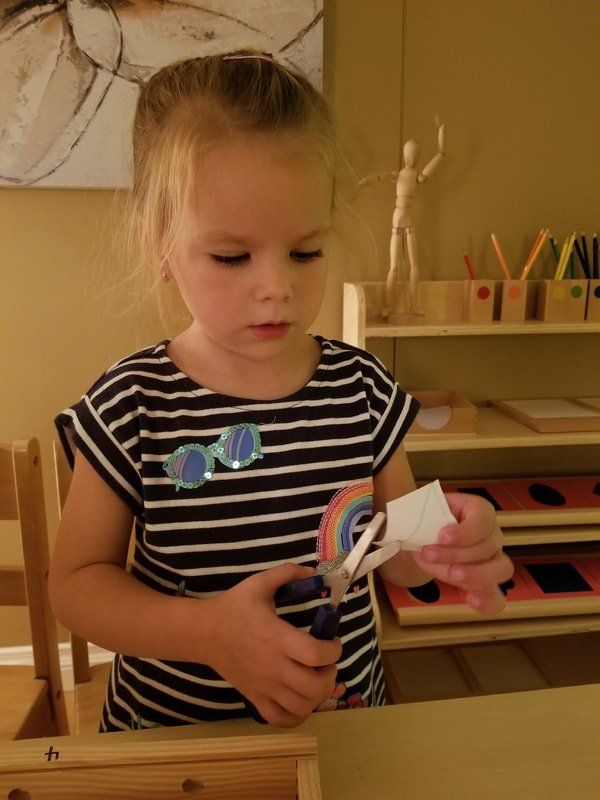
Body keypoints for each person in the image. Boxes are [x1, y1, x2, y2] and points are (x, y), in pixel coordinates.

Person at [49, 50, 513, 733]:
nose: (278, 287)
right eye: (232, 256)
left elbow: (398, 562)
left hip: (344, 731)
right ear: (158, 245)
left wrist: (453, 542)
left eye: (305, 250)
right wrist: (207, 631)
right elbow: (76, 587)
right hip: (178, 748)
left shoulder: (360, 388)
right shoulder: (132, 404)